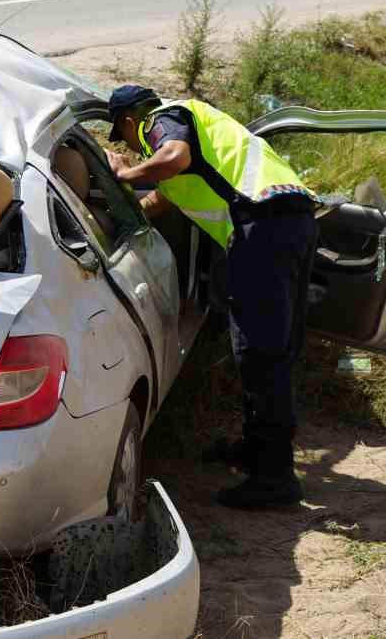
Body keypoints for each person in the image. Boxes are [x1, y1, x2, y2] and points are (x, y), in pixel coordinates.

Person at [104, 85, 318, 509]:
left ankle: (275, 477)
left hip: (261, 229)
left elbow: (174, 158)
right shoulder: (199, 133)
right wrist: (119, 213)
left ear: (130, 122)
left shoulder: (163, 121)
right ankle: (259, 451)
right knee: (273, 350)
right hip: (289, 222)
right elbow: (161, 199)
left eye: (123, 137)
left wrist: (122, 173)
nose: (130, 144)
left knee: (260, 354)